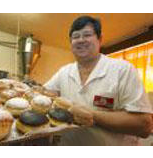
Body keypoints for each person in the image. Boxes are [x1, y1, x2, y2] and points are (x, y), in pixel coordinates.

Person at [44, 16, 153, 146]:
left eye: (87, 35)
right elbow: (44, 95)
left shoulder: (122, 69)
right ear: (70, 42)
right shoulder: (64, 71)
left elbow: (144, 125)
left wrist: (91, 115)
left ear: (100, 39)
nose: (81, 40)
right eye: (76, 36)